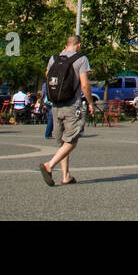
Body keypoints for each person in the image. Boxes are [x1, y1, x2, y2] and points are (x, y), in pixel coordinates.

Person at [39, 36, 95, 186]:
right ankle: (49, 165)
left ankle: (66, 176)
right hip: (72, 104)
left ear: (66, 45)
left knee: (63, 141)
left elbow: (47, 75)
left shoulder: (54, 58)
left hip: (56, 104)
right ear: (79, 45)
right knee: (72, 140)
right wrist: (90, 102)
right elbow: (84, 84)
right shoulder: (81, 59)